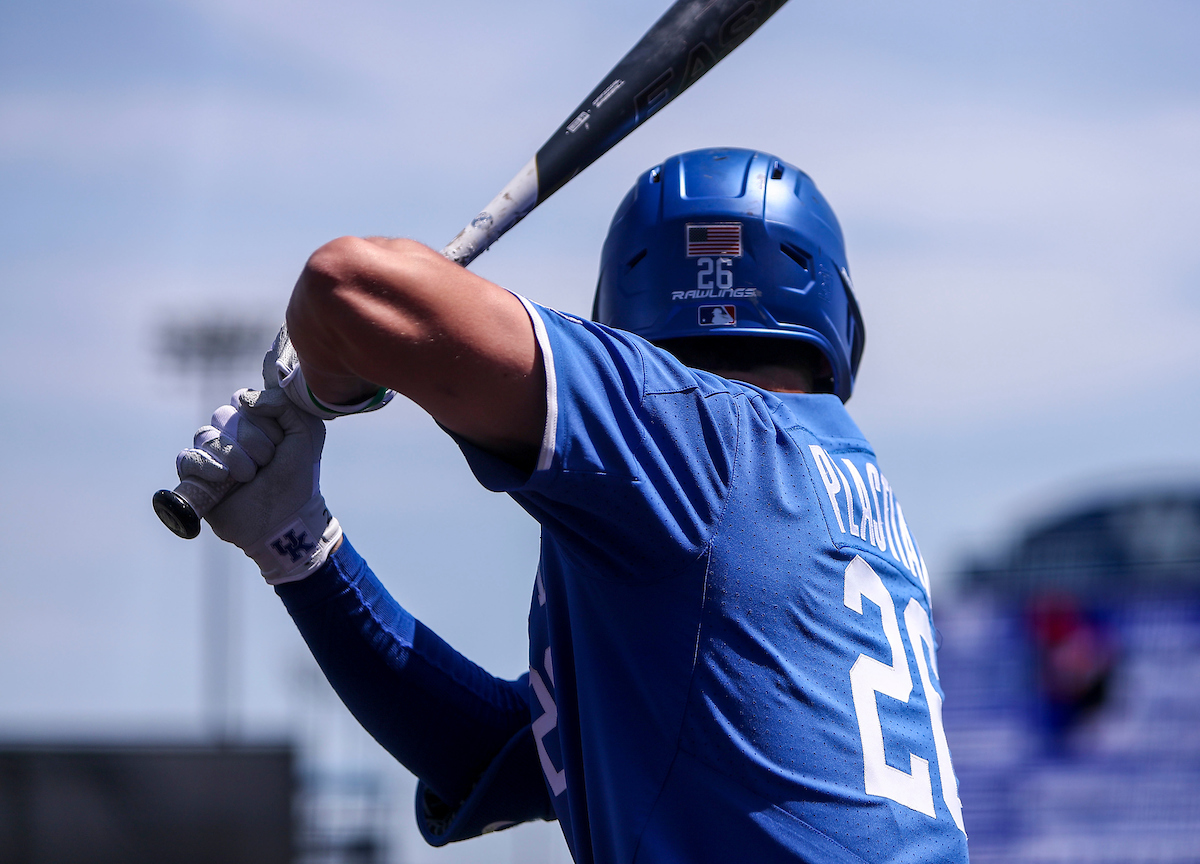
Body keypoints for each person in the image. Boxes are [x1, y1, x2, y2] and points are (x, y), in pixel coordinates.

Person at [176, 147, 969, 863]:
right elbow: (499, 755)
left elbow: (346, 285)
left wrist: (318, 380)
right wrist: (300, 549)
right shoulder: (846, 494)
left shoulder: (697, 439)